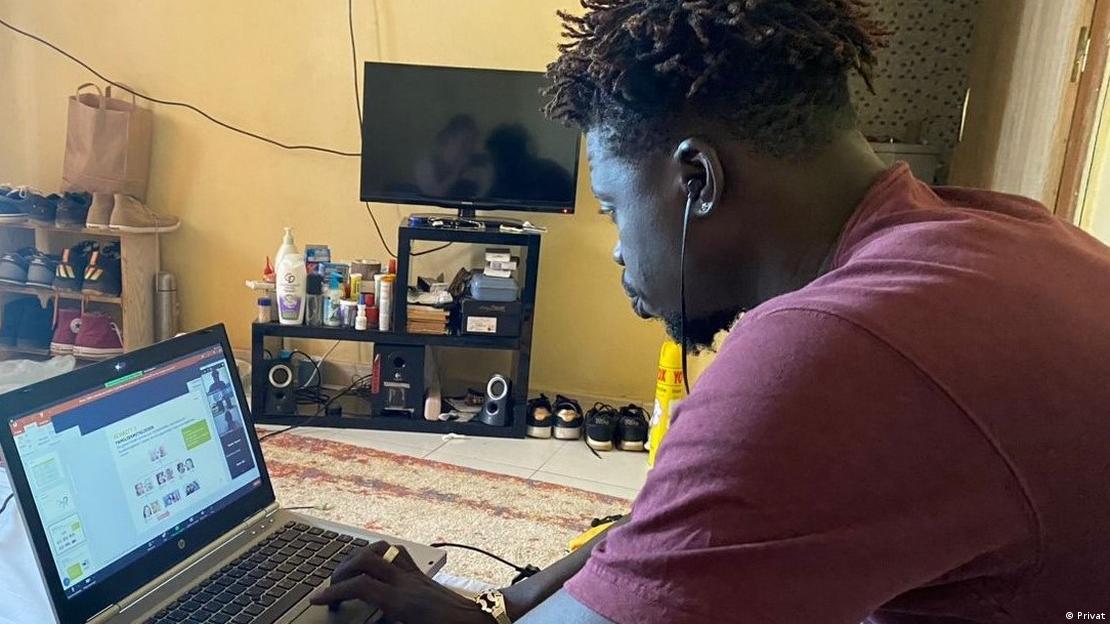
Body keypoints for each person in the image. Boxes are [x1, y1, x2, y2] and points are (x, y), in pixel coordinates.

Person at [310, 1, 1110, 622]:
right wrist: (511, 601)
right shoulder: (1001, 230)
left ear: (697, 178)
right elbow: (690, 529)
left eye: (615, 208)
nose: (620, 249)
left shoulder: (830, 351)